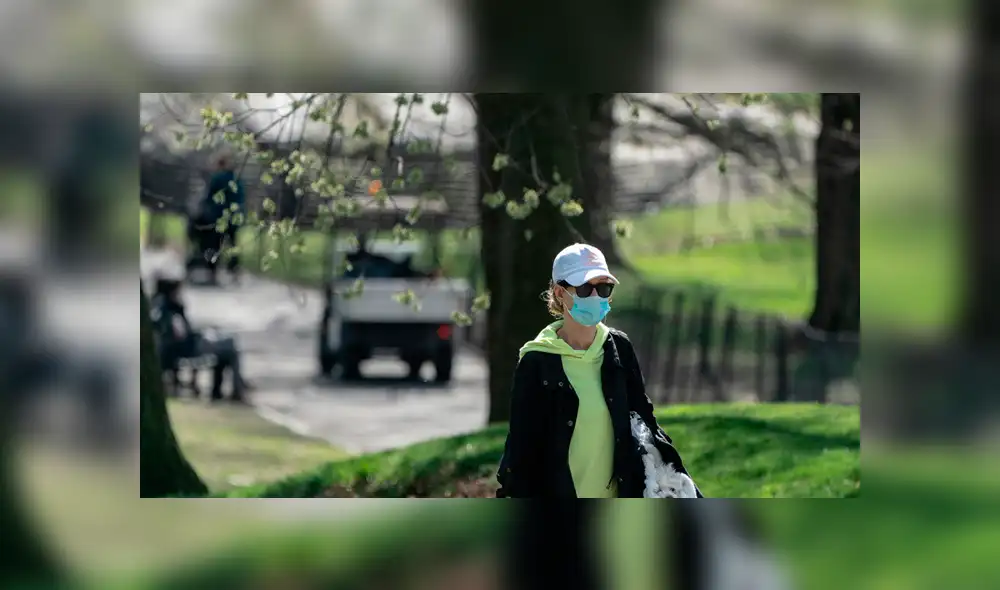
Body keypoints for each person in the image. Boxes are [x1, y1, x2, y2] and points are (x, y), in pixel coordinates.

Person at [496, 243, 701, 498]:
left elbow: (645, 421)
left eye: (603, 288)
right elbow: (520, 450)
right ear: (560, 293)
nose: (596, 297)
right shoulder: (536, 361)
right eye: (584, 288)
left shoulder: (619, 349)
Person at [151, 278, 250, 402]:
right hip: (192, 347)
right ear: (171, 292)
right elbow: (180, 334)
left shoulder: (159, 308)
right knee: (231, 345)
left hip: (191, 344)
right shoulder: (171, 311)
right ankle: (236, 389)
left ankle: (226, 389)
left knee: (228, 348)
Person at [203, 154, 245, 282]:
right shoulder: (236, 179)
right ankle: (234, 271)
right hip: (234, 217)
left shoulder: (217, 178)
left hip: (218, 216)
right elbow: (241, 197)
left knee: (215, 244)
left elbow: (209, 197)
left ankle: (213, 272)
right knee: (233, 244)